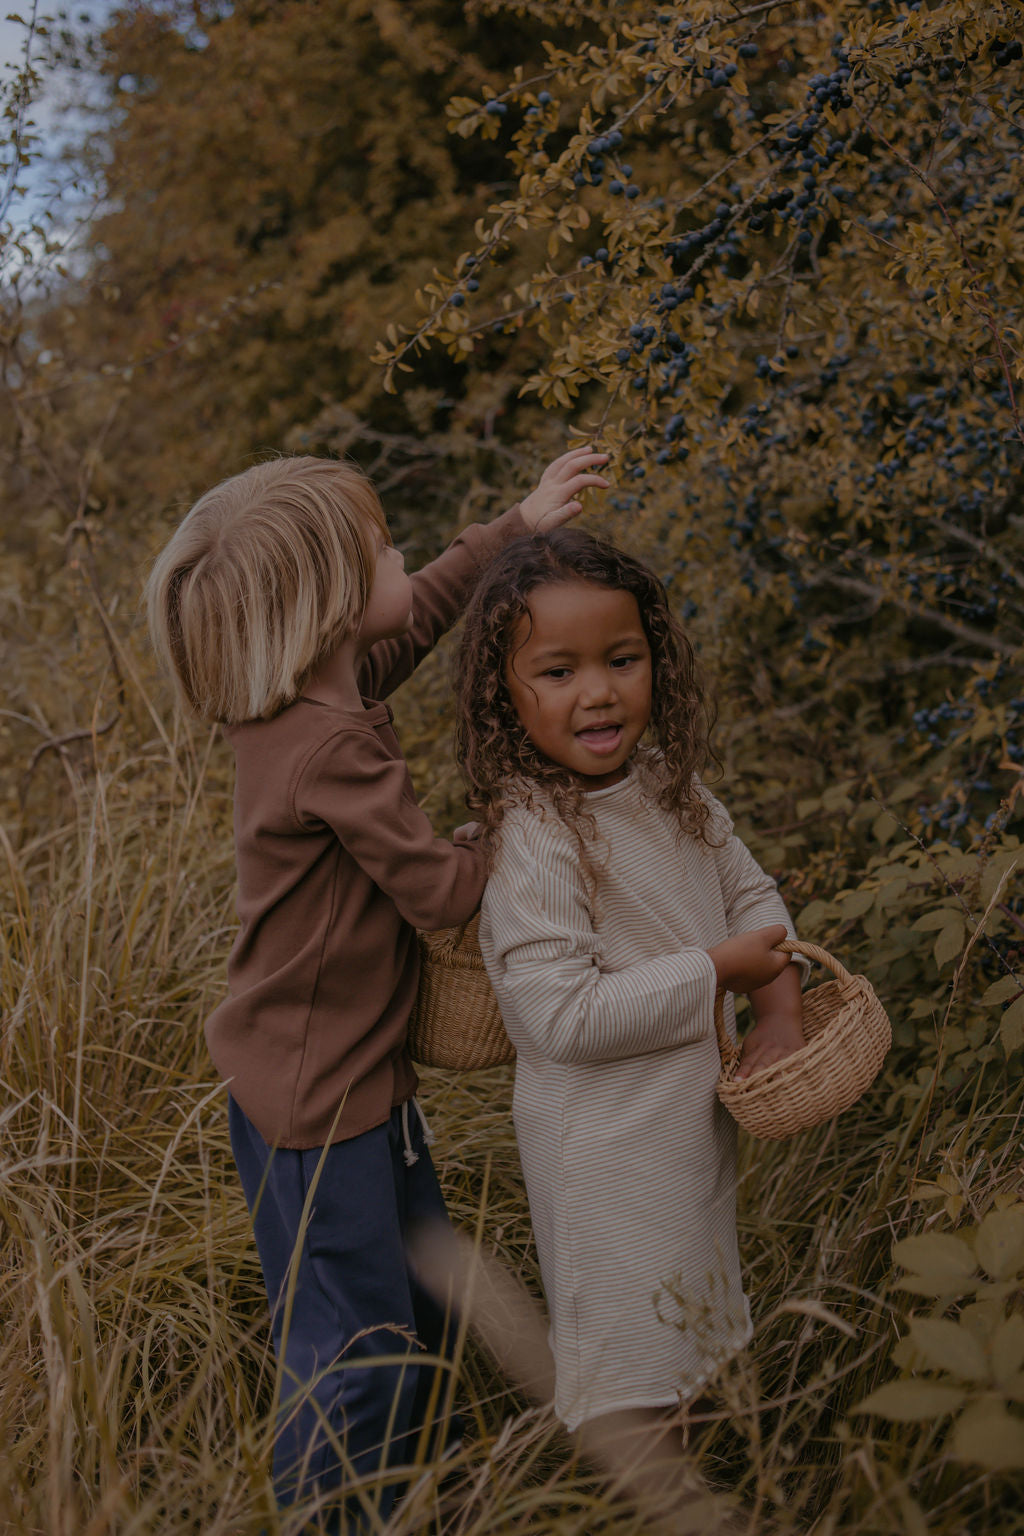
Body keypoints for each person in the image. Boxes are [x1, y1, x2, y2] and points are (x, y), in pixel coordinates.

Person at [143, 446, 609, 1529]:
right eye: (384, 546)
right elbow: (440, 894)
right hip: (320, 1106)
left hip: (333, 1083)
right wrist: (510, 832)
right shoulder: (331, 748)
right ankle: (337, 1514)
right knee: (355, 1345)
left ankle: (427, 1495)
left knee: (420, 1296)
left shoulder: (309, 694)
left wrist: (513, 525)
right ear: (333, 603)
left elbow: (420, 609)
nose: (405, 557)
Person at [453, 525, 807, 1435]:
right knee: (631, 1376)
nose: (601, 692)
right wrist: (716, 972)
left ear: (657, 658)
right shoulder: (535, 831)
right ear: (503, 692)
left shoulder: (665, 785)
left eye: (622, 658)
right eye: (558, 671)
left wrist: (777, 1009)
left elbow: (751, 891)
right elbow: (559, 1015)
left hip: (687, 1132)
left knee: (695, 1346)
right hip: (604, 1155)